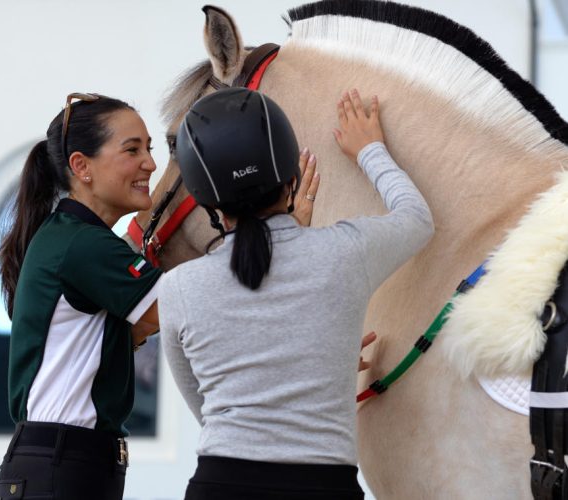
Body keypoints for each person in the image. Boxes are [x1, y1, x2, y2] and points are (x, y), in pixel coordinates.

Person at [159, 87, 434, 500]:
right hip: (325, 487)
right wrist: (370, 149)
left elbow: (205, 405)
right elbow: (416, 218)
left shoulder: (179, 287)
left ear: (206, 202)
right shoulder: (345, 253)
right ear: (292, 178)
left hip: (221, 486)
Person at [0, 93, 163, 500]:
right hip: (62, 467)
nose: (151, 164)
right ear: (81, 166)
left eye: (149, 149)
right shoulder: (83, 244)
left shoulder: (70, 236)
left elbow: (140, 324)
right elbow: (174, 312)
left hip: (61, 464)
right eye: (132, 149)